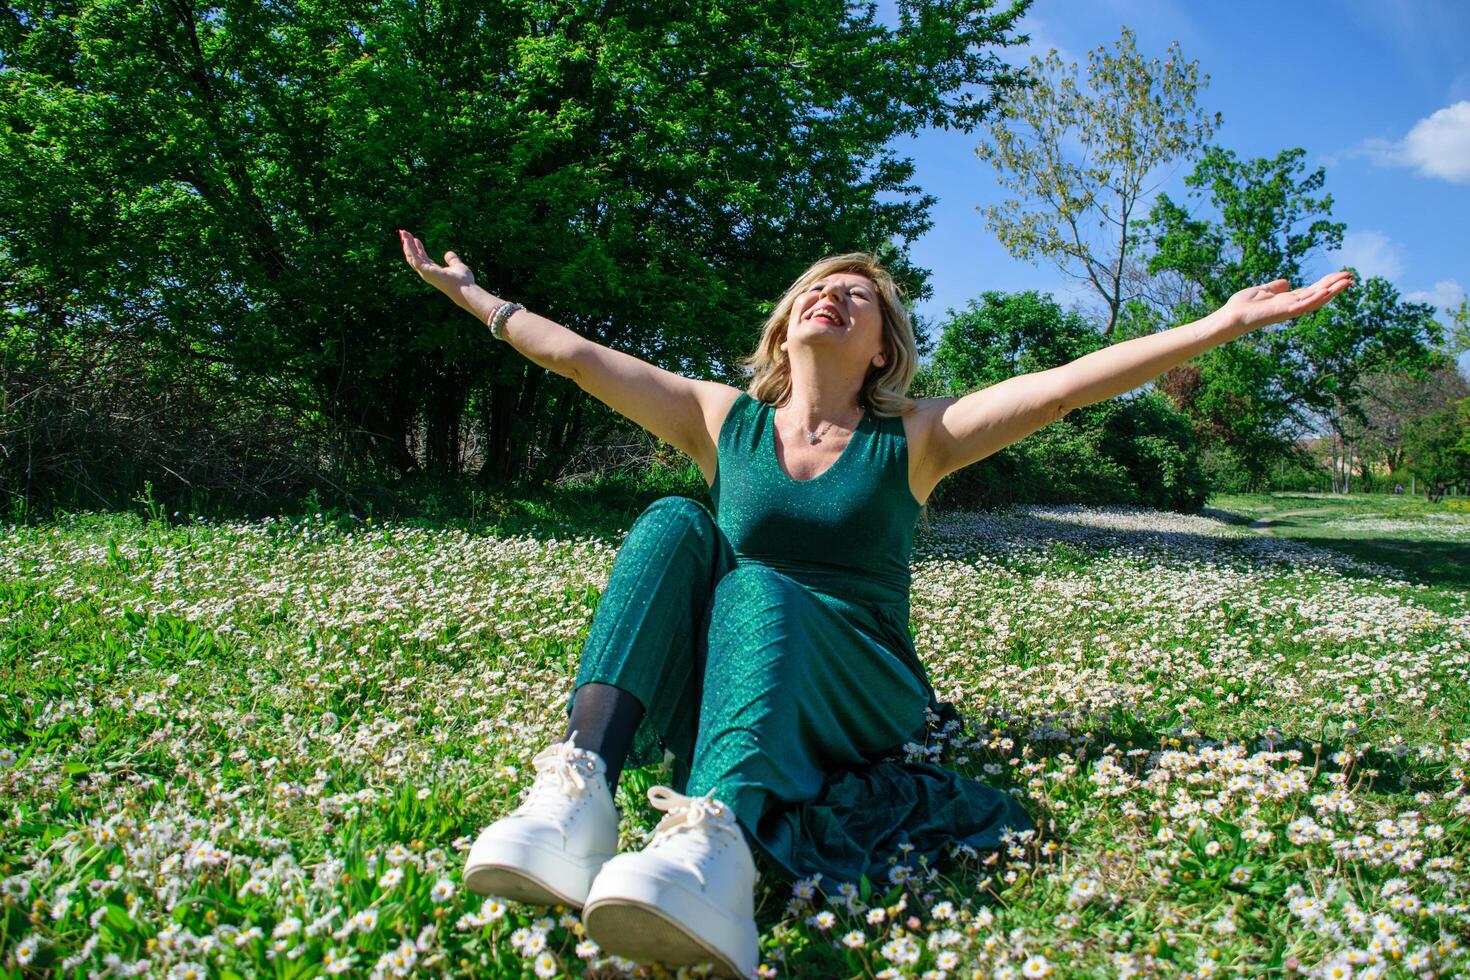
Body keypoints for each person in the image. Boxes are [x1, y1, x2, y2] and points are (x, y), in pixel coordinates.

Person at [399, 229, 1353, 977]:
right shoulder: (720, 419)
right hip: (737, 671)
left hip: (862, 684)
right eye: (817, 287)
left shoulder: (916, 438)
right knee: (670, 525)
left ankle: (713, 856)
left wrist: (1221, 324)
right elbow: (574, 358)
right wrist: (474, 296)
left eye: (857, 296)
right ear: (784, 329)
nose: (832, 295)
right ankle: (579, 795)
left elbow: (1063, 390)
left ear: (882, 346)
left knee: (760, 582)